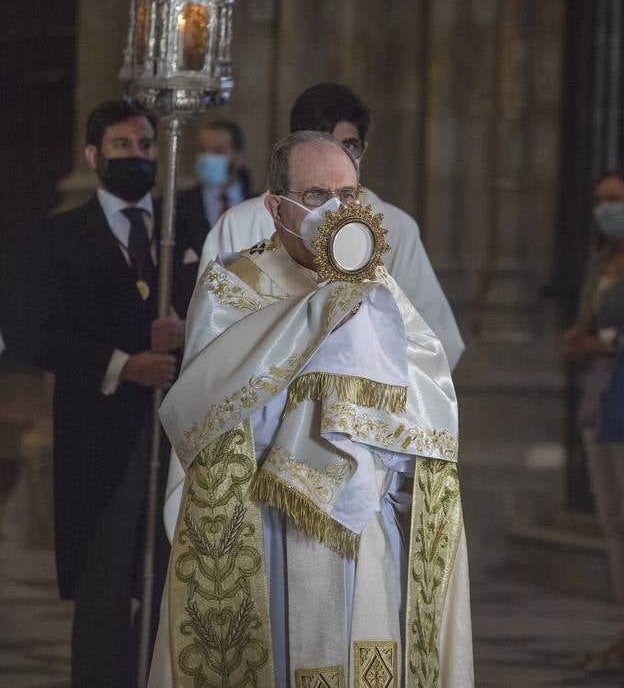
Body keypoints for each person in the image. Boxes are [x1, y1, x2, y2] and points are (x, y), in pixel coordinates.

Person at [148, 131, 473, 687]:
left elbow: (426, 407)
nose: (338, 213)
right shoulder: (235, 284)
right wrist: (313, 324)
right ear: (277, 208)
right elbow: (207, 412)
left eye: (349, 197)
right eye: (318, 196)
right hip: (268, 524)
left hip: (365, 528)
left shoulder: (382, 292)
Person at [22, 99, 197, 687]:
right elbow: (36, 334)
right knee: (104, 585)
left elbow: (232, 315)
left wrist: (186, 329)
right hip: (99, 437)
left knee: (172, 579)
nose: (137, 157)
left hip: (176, 435)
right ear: (95, 156)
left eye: (146, 147)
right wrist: (125, 365)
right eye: (123, 147)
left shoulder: (187, 229)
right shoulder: (60, 237)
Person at [201, 83, 464, 370]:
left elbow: (436, 340)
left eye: (349, 145)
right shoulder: (241, 224)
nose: (338, 155)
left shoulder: (395, 227)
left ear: (364, 148)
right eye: (324, 142)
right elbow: (212, 336)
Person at [562, 170, 624, 674]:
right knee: (613, 523)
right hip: (598, 398)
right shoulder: (599, 262)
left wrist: (603, 342)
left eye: (617, 200)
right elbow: (584, 324)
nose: (607, 209)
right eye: (601, 200)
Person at [177, 118, 253, 256]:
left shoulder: (259, 203)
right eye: (202, 150)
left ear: (238, 157)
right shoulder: (178, 205)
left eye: (217, 151)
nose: (207, 157)